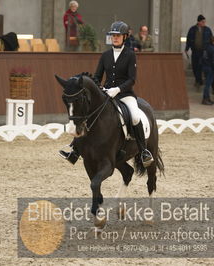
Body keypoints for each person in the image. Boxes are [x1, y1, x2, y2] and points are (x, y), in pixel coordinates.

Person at [59, 21, 154, 168]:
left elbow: (132, 79)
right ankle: (74, 150)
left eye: (118, 36)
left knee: (135, 116)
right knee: (87, 114)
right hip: (107, 93)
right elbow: (97, 76)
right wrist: (100, 88)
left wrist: (118, 89)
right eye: (113, 36)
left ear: (125, 37)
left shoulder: (130, 55)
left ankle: (143, 151)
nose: (115, 38)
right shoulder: (105, 55)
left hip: (125, 94)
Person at [185, 15, 213, 88]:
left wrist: (211, 49)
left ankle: (199, 81)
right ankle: (198, 79)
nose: (204, 23)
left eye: (204, 22)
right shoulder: (192, 29)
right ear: (198, 22)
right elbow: (188, 39)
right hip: (195, 50)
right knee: (195, 66)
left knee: (200, 66)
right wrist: (187, 48)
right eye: (202, 22)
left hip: (203, 51)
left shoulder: (207, 30)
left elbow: (211, 40)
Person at [202, 36, 214, 105]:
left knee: (207, 84)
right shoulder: (213, 50)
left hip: (205, 67)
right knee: (208, 85)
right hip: (210, 69)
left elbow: (203, 58)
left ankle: (207, 98)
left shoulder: (206, 48)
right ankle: (205, 99)